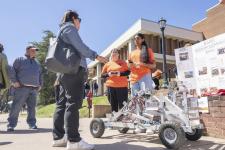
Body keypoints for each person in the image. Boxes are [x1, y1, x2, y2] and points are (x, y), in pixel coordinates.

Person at [52, 10, 108, 150]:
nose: (80, 23)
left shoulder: (61, 31)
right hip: (73, 70)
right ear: (73, 18)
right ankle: (74, 140)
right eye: (79, 20)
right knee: (73, 104)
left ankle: (59, 138)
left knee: (62, 104)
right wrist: (95, 56)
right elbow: (80, 47)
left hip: (64, 72)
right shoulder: (69, 28)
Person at [7, 45, 42, 131]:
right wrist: (14, 81)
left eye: (35, 51)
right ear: (27, 50)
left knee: (32, 108)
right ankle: (11, 125)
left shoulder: (37, 63)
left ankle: (32, 124)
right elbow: (11, 69)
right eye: (33, 50)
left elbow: (40, 74)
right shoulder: (19, 59)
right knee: (16, 107)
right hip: (21, 88)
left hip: (34, 89)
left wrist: (40, 84)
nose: (35, 52)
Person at [128, 33, 156, 134]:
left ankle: (149, 126)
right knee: (136, 102)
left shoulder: (148, 51)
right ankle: (139, 125)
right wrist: (130, 65)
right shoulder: (131, 53)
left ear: (142, 39)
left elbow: (153, 65)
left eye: (138, 38)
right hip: (134, 79)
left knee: (147, 100)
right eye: (134, 39)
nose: (136, 40)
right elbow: (129, 66)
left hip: (145, 76)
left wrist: (143, 64)